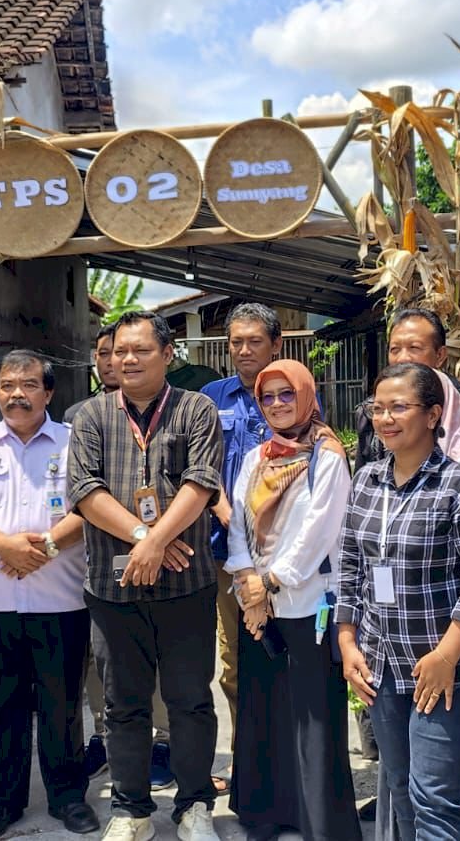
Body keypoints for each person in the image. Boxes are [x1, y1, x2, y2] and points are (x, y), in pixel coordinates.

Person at [68, 310, 224, 841]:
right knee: (123, 704)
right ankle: (130, 809)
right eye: (118, 351)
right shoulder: (90, 416)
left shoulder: (196, 409)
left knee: (190, 700)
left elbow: (201, 483)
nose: (126, 360)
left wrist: (157, 543)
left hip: (187, 585)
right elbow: (86, 493)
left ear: (167, 354)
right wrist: (145, 540)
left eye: (139, 350)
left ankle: (194, 805)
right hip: (114, 589)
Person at [338, 363, 460, 841]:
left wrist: (446, 655)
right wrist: (349, 642)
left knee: (435, 795)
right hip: (383, 666)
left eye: (399, 407)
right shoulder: (367, 480)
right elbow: (351, 566)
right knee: (400, 787)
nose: (385, 418)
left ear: (433, 415)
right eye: (378, 408)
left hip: (447, 670)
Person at [0, 351, 102, 840]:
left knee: (62, 705)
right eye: (7, 385)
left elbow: (91, 506)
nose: (17, 394)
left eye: (29, 385)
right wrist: (7, 548)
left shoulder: (74, 441)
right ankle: (1, 803)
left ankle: (67, 797)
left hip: (60, 600)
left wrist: (48, 547)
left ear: (49, 393)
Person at [224, 359, 361, 841]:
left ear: (306, 395)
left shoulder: (327, 455)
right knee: (262, 710)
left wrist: (272, 582)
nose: (278, 405)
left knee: (312, 714)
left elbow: (320, 528)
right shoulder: (257, 457)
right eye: (268, 397)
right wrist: (246, 581)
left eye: (287, 395)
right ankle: (265, 813)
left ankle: (319, 822)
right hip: (259, 604)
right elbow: (238, 521)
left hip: (307, 601)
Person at [200, 302, 285, 797]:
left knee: (285, 653)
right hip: (225, 552)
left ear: (275, 344)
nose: (244, 350)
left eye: (255, 341)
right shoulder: (212, 399)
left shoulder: (290, 391)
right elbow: (200, 467)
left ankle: (286, 760)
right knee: (234, 662)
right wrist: (222, 508)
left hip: (285, 557)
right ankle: (248, 762)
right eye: (236, 342)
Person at [352, 307, 460, 474]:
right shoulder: (372, 412)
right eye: (395, 349)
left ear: (440, 355)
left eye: (414, 348)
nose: (403, 358)